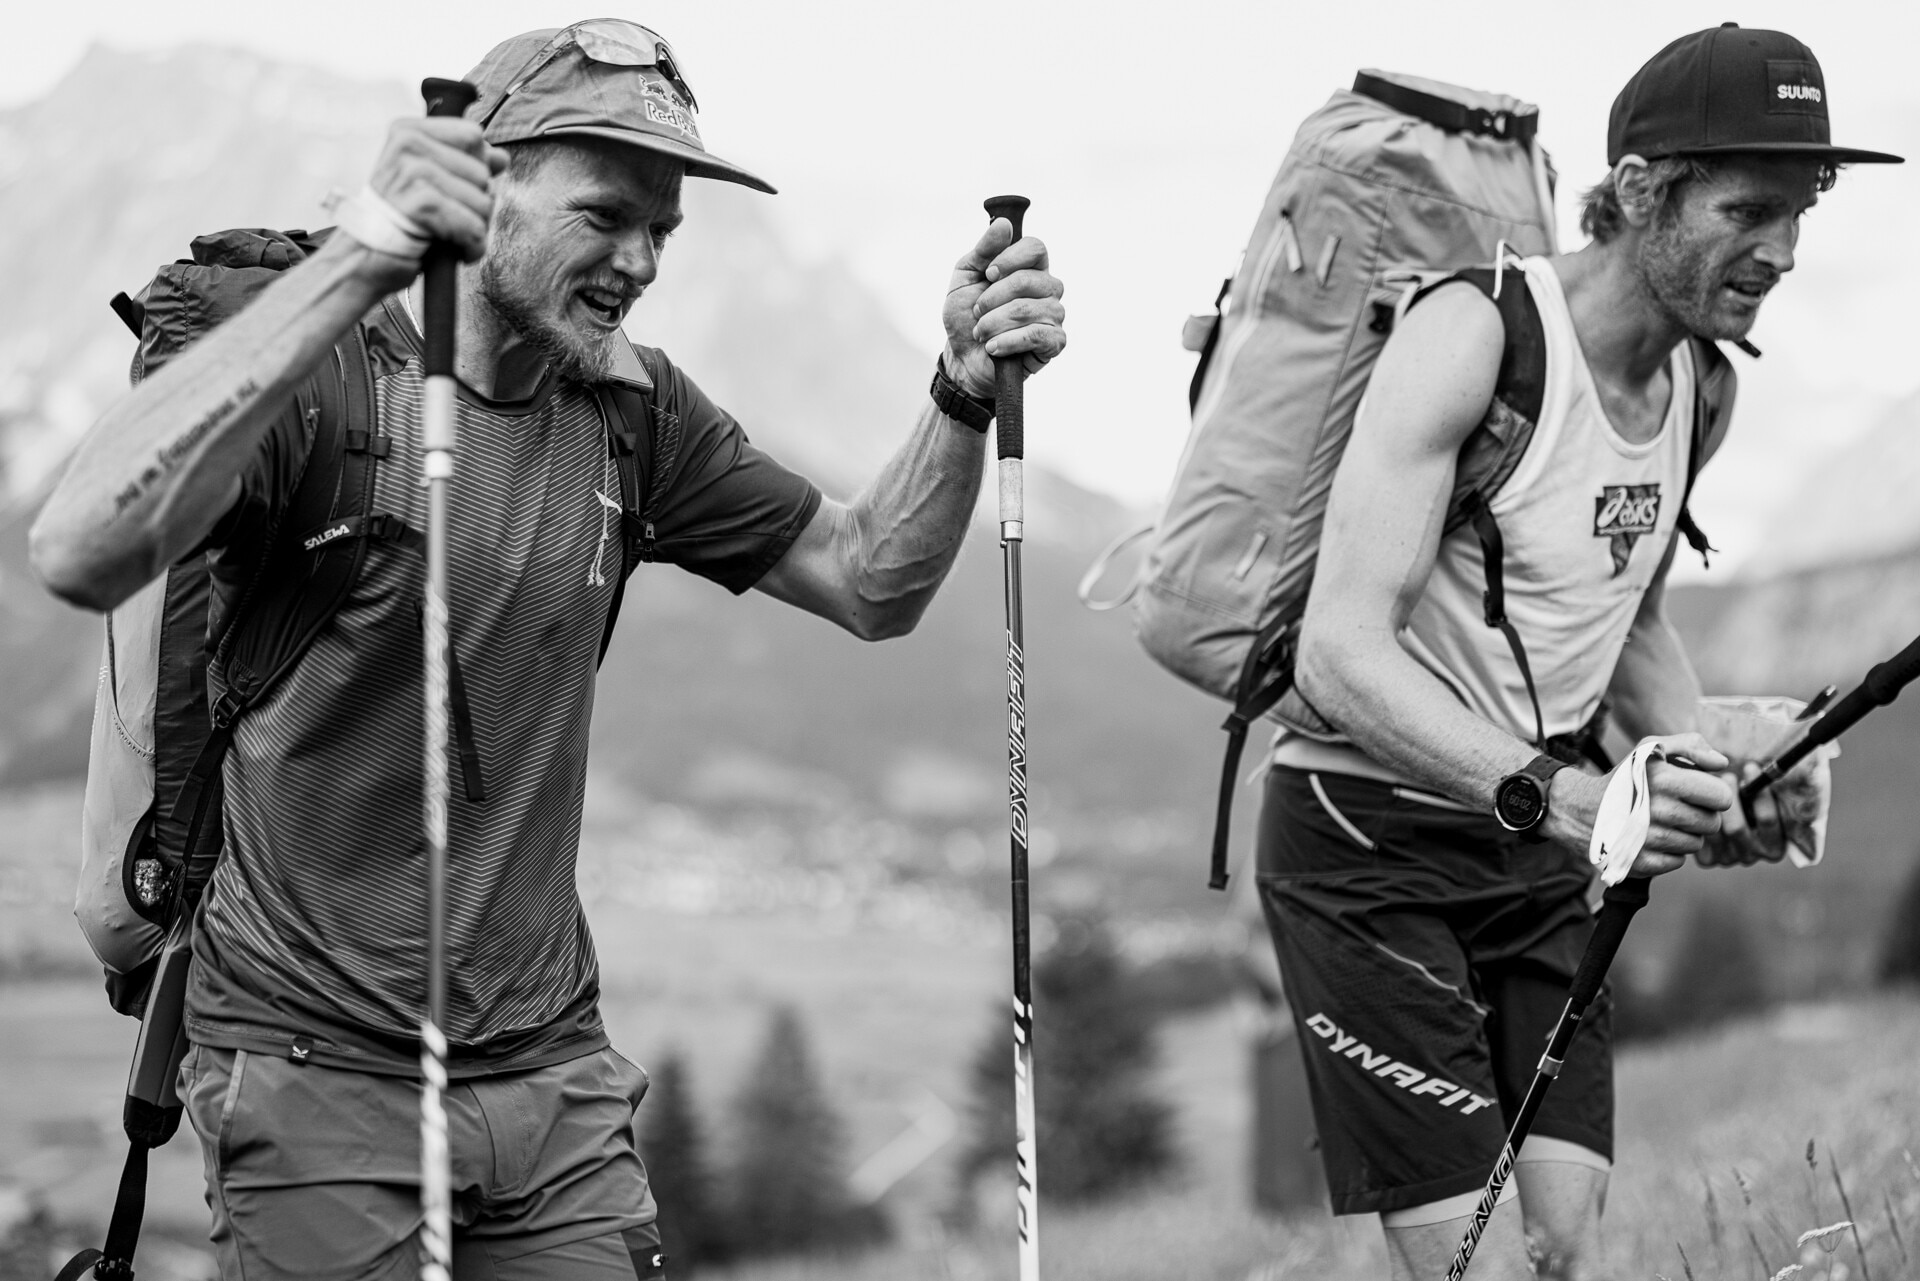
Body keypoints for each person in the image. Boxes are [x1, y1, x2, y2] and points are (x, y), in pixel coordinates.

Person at [29, 20, 1065, 1281]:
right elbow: (81, 548)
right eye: (606, 214)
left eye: (663, 231)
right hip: (312, 1070)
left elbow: (868, 579)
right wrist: (362, 254)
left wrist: (959, 390)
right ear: (489, 178)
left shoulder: (631, 409)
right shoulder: (319, 377)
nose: (639, 260)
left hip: (551, 1074)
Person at [1259, 25, 1894, 1281]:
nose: (1781, 252)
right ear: (1645, 187)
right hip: (1367, 848)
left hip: (1542, 856)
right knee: (1477, 1267)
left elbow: (1626, 614)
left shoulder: (1703, 389)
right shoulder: (1478, 336)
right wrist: (1571, 798)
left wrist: (1719, 759)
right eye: (1749, 209)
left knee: (1559, 1253)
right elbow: (1334, 652)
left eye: (1801, 213)